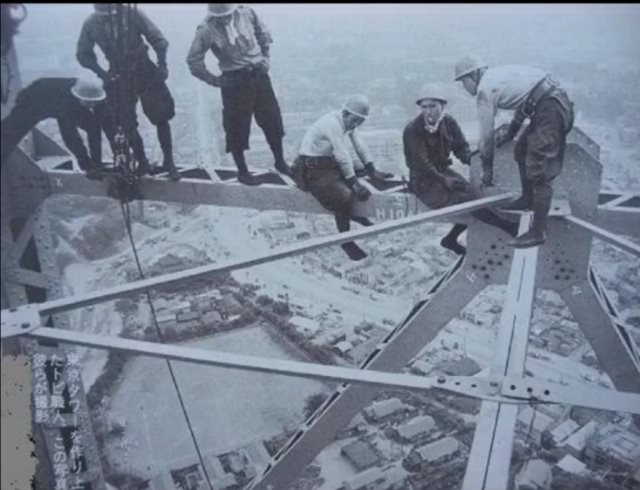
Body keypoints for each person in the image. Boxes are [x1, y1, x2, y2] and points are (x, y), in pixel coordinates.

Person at [454, 56, 574, 248]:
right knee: (521, 150)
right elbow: (527, 103)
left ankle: (538, 232)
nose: (464, 87)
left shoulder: (485, 90)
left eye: (463, 81)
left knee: (540, 168)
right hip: (550, 103)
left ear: (474, 75)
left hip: (551, 107)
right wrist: (510, 134)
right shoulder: (497, 78)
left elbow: (486, 137)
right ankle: (528, 198)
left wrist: (487, 169)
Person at [403, 83, 519, 255]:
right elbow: (420, 163)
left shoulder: (448, 123)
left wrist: (479, 165)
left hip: (443, 173)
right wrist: (444, 180)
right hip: (424, 180)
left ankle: (450, 239)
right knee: (465, 201)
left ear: (442, 106)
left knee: (474, 194)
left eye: (432, 106)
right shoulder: (413, 129)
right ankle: (508, 227)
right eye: (424, 107)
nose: (428, 111)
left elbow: (461, 149)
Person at [186, 3, 291, 185]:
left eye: (227, 14)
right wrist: (215, 80)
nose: (225, 19)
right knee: (236, 127)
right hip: (234, 81)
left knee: (272, 120)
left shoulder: (247, 13)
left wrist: (266, 58)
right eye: (220, 17)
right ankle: (243, 171)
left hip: (258, 74)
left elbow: (264, 35)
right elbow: (193, 60)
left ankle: (280, 162)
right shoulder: (206, 29)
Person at [76, 3, 181, 181]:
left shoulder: (133, 14)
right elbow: (83, 54)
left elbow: (158, 40)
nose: (108, 18)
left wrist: (162, 64)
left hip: (143, 68)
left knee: (161, 115)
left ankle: (169, 162)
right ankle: (142, 162)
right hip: (118, 73)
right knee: (124, 122)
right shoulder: (91, 23)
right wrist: (102, 73)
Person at [291, 94, 392, 261]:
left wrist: (371, 169)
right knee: (343, 196)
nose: (356, 124)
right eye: (355, 121)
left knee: (359, 170)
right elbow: (342, 154)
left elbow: (359, 145)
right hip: (311, 169)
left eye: (360, 122)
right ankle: (346, 242)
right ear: (345, 113)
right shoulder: (332, 123)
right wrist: (354, 184)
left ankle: (355, 215)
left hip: (328, 163)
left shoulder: (349, 120)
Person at [1, 77, 107, 179]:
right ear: (78, 97)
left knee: (93, 125)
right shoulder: (66, 105)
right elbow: (71, 138)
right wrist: (85, 164)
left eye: (95, 102)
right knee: (9, 135)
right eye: (88, 102)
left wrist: (96, 164)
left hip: (59, 98)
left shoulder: (86, 91)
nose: (92, 105)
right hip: (32, 101)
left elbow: (95, 132)